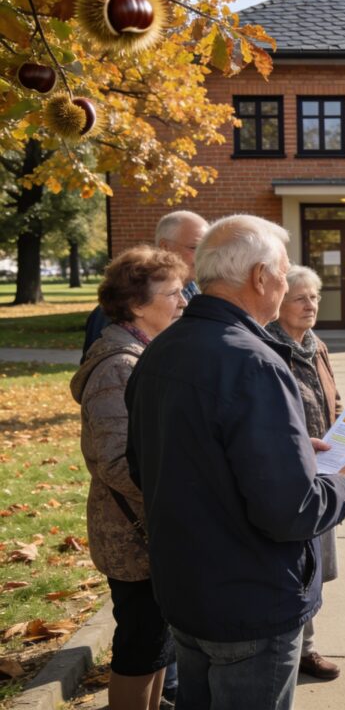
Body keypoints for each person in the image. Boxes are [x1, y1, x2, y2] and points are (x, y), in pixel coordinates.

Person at [124, 215, 345, 710]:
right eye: (284, 274)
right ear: (260, 277)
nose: (287, 285)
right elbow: (291, 510)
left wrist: (289, 446)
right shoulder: (256, 361)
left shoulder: (160, 348)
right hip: (249, 599)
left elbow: (148, 464)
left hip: (185, 589)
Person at [71, 246, 188, 710]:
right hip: (131, 534)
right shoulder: (119, 366)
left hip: (149, 530)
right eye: (175, 293)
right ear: (138, 304)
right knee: (140, 644)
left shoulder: (142, 353)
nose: (184, 302)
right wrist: (186, 495)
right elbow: (118, 464)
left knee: (157, 640)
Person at [266, 265, 343, 681]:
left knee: (318, 564)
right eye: (300, 298)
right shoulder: (267, 348)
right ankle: (296, 651)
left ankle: (303, 649)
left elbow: (332, 397)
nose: (310, 305)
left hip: (325, 470)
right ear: (279, 302)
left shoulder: (316, 345)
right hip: (289, 472)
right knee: (296, 566)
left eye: (314, 297)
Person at [81, 210, 208, 360]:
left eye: (207, 248)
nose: (204, 255)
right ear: (165, 246)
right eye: (195, 247)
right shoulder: (117, 309)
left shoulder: (199, 297)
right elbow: (100, 364)